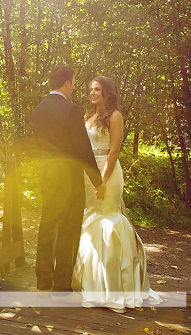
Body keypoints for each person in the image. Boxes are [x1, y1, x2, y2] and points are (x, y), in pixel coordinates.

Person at [74, 76, 161, 312]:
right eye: (91, 88)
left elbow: (113, 152)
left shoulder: (115, 116)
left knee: (109, 216)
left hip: (107, 172)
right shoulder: (87, 117)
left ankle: (116, 285)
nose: (93, 93)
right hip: (86, 171)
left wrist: (101, 181)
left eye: (98, 89)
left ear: (107, 93)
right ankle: (93, 283)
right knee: (91, 217)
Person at [32, 65, 106, 295]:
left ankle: (43, 279)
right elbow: (82, 148)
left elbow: (38, 144)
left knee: (47, 223)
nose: (74, 87)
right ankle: (62, 283)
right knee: (68, 227)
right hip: (68, 176)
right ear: (66, 83)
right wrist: (98, 181)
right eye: (73, 82)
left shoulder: (38, 109)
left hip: (47, 172)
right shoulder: (72, 110)